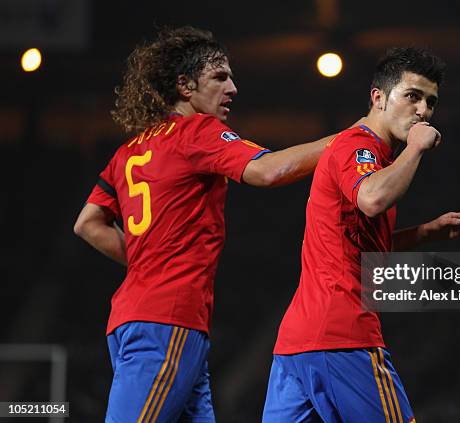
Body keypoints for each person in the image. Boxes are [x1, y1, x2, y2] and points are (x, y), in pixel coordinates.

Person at [74, 26, 335, 422]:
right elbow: (266, 171)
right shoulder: (197, 131)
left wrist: (150, 262)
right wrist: (350, 139)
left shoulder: (130, 149)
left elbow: (88, 224)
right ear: (185, 85)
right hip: (167, 321)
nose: (232, 87)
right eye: (219, 77)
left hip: (139, 318)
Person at [263, 47, 460, 423]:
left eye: (431, 102)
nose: (423, 111)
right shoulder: (357, 146)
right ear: (378, 97)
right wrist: (414, 149)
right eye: (412, 96)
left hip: (298, 344)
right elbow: (373, 197)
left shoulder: (374, 158)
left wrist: (427, 232)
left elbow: (362, 247)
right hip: (343, 334)